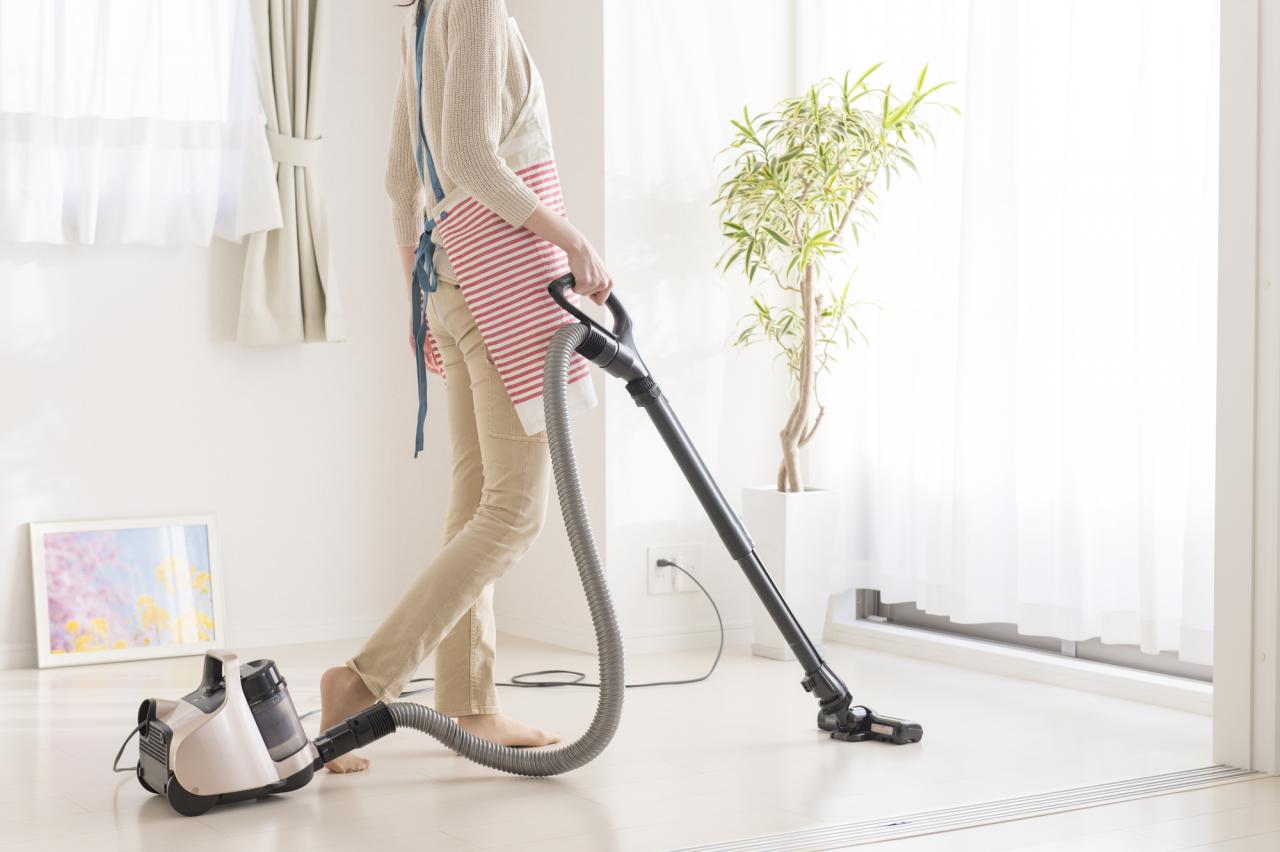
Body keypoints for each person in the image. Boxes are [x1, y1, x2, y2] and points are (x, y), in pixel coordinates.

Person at [317, 0, 613, 774]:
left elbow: (400, 180)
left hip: (447, 279)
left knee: (477, 496)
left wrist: (418, 294)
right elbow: (473, 159)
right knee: (514, 512)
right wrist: (574, 240)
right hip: (506, 280)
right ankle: (362, 682)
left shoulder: (421, 16)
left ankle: (470, 700)